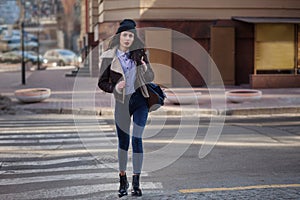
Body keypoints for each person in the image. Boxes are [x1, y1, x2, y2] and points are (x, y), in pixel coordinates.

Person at [98, 19, 154, 197]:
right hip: (122, 103)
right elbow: (101, 82)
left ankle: (136, 182)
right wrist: (114, 87)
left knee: (137, 139)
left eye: (131, 35)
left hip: (140, 101)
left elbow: (151, 76)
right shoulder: (108, 56)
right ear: (119, 36)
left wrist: (145, 69)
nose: (128, 38)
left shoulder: (140, 53)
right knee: (123, 143)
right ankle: (123, 179)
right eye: (125, 35)